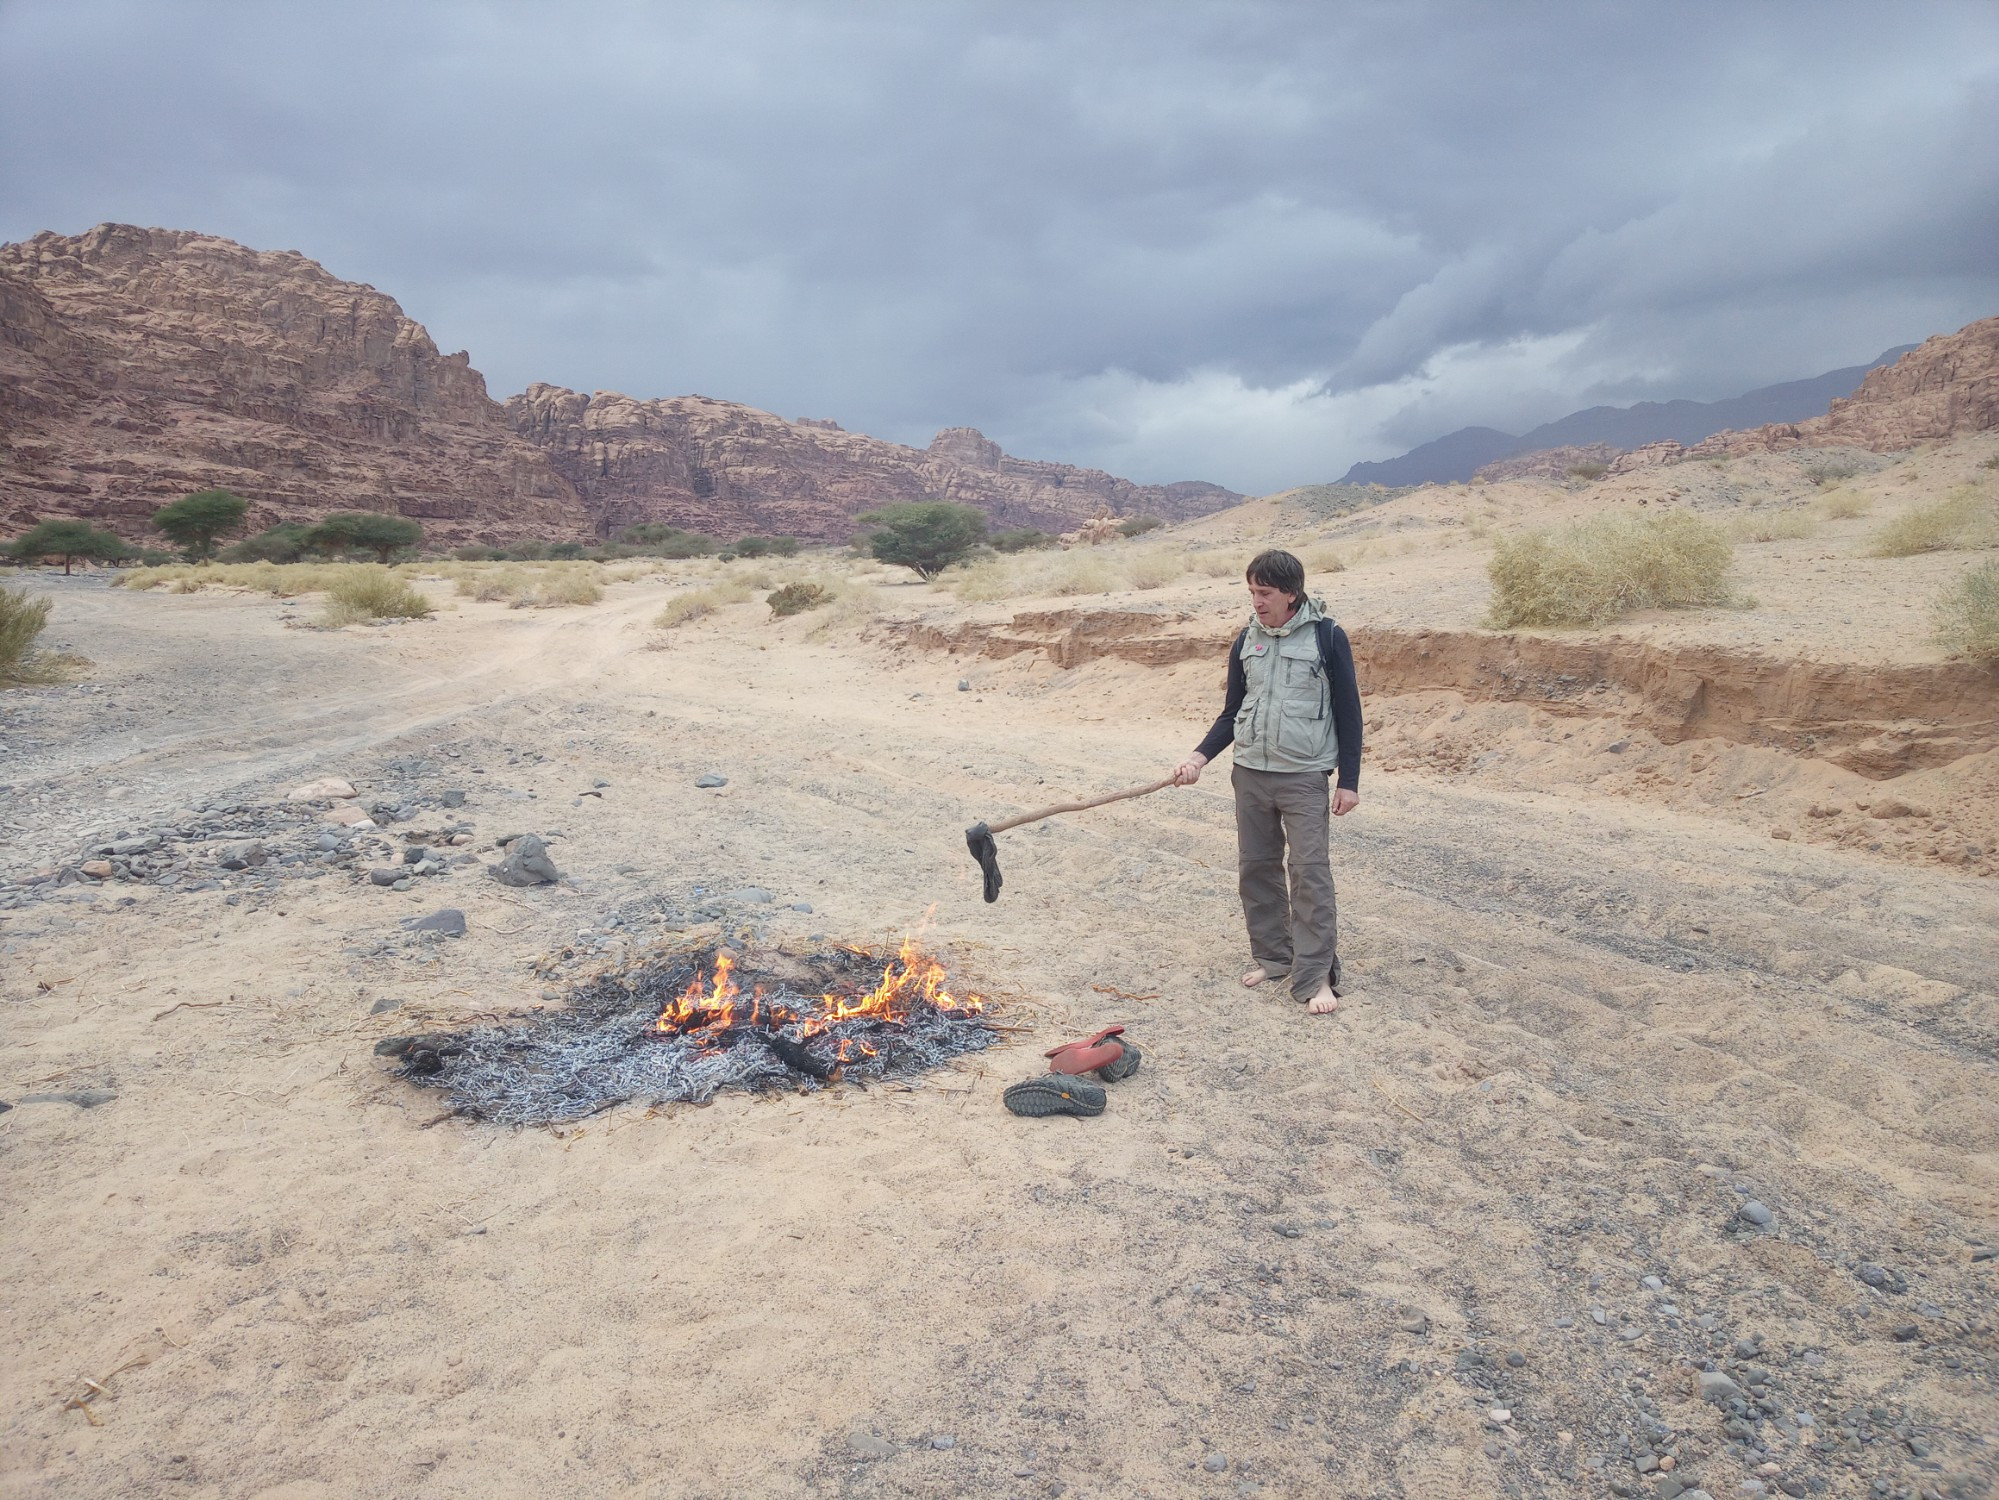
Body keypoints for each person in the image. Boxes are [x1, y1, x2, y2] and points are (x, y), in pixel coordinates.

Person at [1171, 549, 1361, 1016]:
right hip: (1250, 773)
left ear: (1291, 594)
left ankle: (1315, 977)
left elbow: (1349, 711)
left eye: (1265, 593)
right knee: (1256, 869)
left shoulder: (1327, 636)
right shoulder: (1246, 639)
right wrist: (1198, 758)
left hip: (1304, 775)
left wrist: (1348, 780)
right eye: (1252, 592)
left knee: (1310, 875)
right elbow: (1232, 711)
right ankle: (1275, 958)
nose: (1256, 602)